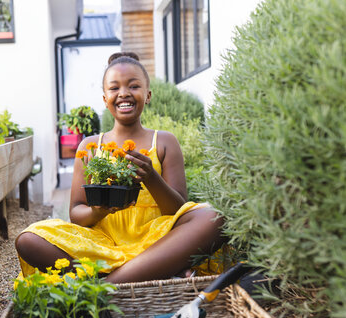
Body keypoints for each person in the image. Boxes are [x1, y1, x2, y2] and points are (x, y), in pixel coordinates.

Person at [15, 52, 226, 283]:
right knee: (29, 239)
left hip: (158, 241)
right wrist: (98, 211)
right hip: (103, 244)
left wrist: (152, 178)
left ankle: (107, 286)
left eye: (133, 86)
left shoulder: (165, 141)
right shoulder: (90, 146)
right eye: (114, 88)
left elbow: (177, 211)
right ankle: (155, 272)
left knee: (214, 216)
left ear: (148, 95)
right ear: (105, 98)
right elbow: (76, 212)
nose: (124, 93)